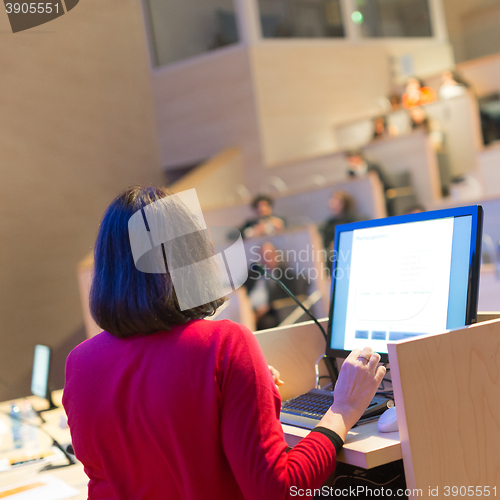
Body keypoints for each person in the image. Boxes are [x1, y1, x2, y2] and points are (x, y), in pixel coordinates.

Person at [62, 186, 385, 500]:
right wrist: (343, 409)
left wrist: (239, 390)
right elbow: (279, 490)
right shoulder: (221, 345)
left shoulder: (80, 362)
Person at [244, 242, 308, 330]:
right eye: (263, 256)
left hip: (271, 313)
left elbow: (286, 299)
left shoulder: (287, 276)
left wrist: (267, 307)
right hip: (249, 312)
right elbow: (243, 292)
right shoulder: (254, 274)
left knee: (267, 322)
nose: (267, 259)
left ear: (276, 255)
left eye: (269, 255)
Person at [346, 150, 395, 216]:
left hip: (380, 193)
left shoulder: (373, 166)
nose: (352, 161)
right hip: (364, 198)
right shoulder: (351, 172)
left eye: (353, 159)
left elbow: (385, 180)